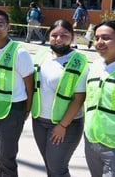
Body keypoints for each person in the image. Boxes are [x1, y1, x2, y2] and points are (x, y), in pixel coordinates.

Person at [31, 19, 88, 176]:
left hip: (67, 124)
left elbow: (79, 98)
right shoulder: (42, 55)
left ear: (72, 37)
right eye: (54, 35)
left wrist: (62, 126)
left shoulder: (79, 61)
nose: (58, 39)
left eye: (64, 35)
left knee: (57, 168)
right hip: (39, 121)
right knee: (50, 165)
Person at [0, 9, 34, 177]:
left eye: (0, 25)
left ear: (8, 27)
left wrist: (26, 111)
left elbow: (29, 84)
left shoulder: (19, 52)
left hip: (13, 111)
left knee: (7, 157)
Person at [84, 20, 115, 177]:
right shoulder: (96, 66)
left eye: (106, 38)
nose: (99, 42)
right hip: (92, 141)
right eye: (96, 38)